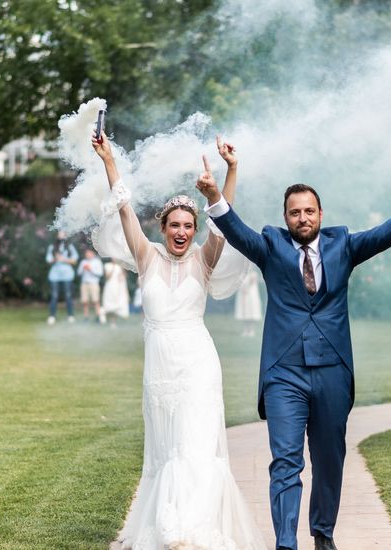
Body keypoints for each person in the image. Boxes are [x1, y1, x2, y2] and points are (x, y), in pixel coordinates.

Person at [199, 160, 391, 550]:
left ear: (321, 214)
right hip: (284, 372)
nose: (303, 217)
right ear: (285, 218)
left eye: (309, 211)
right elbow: (236, 231)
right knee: (285, 461)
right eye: (295, 212)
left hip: (333, 370)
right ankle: (286, 542)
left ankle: (323, 534)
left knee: (329, 461)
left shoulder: (344, 245)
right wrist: (215, 196)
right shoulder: (270, 245)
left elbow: (387, 233)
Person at [91, 131, 264, 549]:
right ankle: (168, 526)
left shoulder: (205, 259)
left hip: (198, 367)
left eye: (189, 225)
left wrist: (231, 170)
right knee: (168, 451)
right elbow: (125, 210)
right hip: (159, 370)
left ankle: (192, 531)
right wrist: (109, 162)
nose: (182, 231)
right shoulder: (147, 257)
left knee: (196, 448)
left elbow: (224, 218)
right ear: (164, 228)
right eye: (175, 225)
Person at [46, 231, 78, 325]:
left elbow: (74, 260)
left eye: (63, 234)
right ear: (56, 236)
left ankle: (70, 316)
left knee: (68, 295)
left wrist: (64, 259)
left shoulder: (70, 247)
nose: (61, 236)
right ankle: (52, 316)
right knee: (54, 295)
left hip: (67, 275)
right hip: (54, 275)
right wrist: (55, 258)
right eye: (60, 234)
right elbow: (48, 260)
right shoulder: (52, 247)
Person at [77, 247, 104, 322]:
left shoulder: (97, 262)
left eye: (89, 253)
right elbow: (78, 273)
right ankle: (86, 317)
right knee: (85, 301)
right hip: (84, 284)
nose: (87, 255)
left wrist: (91, 269)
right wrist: (83, 269)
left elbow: (100, 273)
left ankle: (98, 317)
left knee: (96, 300)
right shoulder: (83, 262)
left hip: (94, 283)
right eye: (86, 253)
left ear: (93, 254)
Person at [100, 258, 129, 327]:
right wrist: (113, 267)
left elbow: (123, 277)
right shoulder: (107, 265)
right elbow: (107, 277)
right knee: (107, 303)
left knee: (116, 304)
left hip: (118, 288)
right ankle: (102, 314)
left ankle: (113, 322)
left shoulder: (120, 266)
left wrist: (122, 268)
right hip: (109, 287)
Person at [234, 270, 262, 337]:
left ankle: (251, 330)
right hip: (243, 294)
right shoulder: (241, 273)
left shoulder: (253, 273)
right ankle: (246, 330)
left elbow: (252, 281)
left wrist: (246, 288)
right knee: (244, 312)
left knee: (251, 311)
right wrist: (242, 289)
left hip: (251, 294)